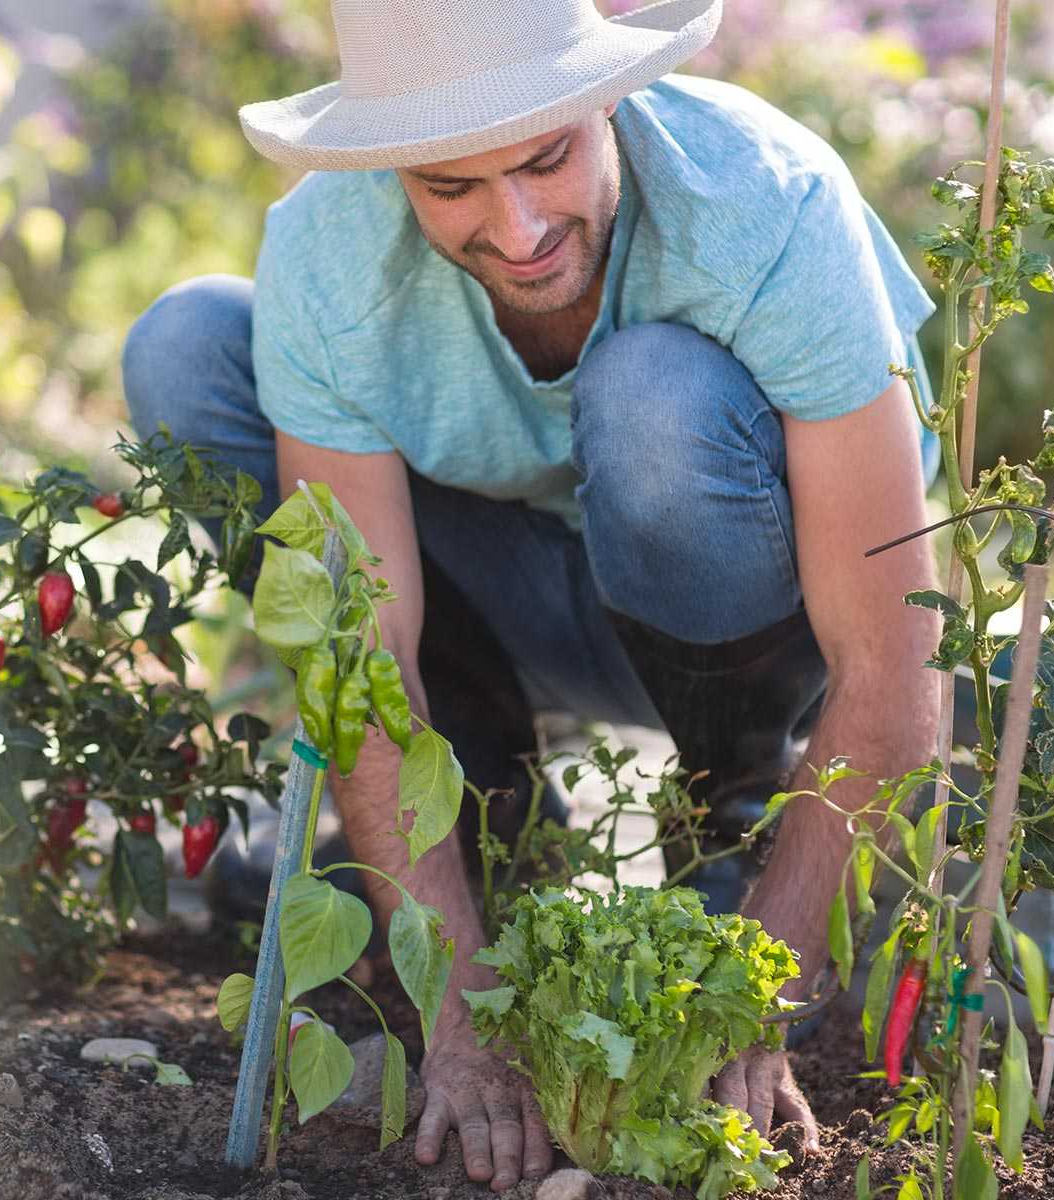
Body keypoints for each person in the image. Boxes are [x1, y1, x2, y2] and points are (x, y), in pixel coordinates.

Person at [122, 0, 942, 1190]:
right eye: (448, 186)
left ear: (601, 98)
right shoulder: (328, 250)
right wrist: (457, 1001)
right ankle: (499, 830)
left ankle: (729, 809)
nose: (513, 229)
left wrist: (760, 987)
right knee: (189, 350)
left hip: (744, 607)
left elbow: (890, 657)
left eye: (545, 159)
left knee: (650, 395)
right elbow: (363, 658)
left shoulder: (765, 205)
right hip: (509, 609)